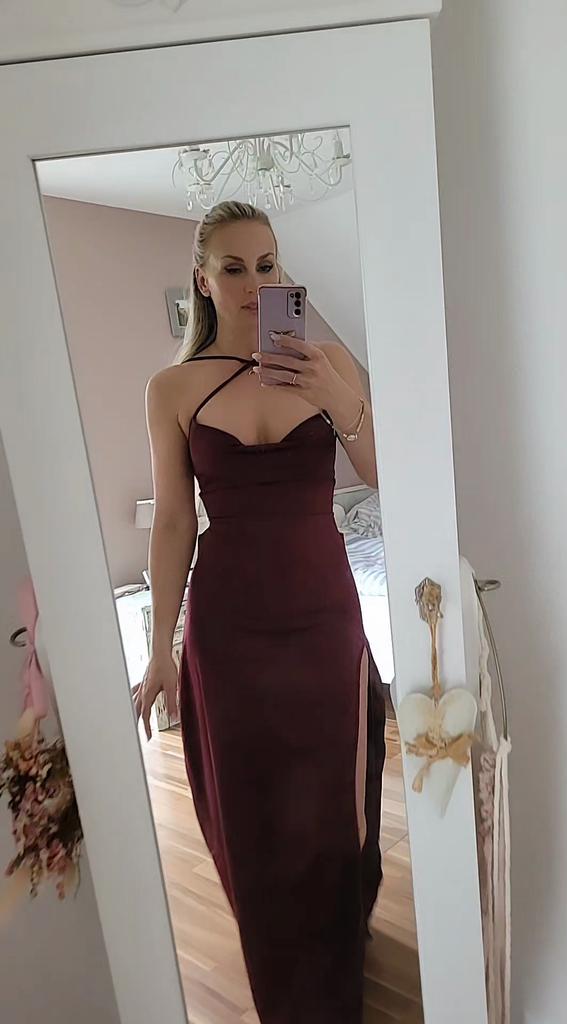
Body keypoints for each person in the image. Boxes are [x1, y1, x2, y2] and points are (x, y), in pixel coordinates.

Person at [133, 201, 386, 1023]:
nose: (254, 284)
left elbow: (384, 472)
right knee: (253, 814)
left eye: (268, 266)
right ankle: (287, 992)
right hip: (229, 626)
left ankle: (338, 960)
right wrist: (160, 646)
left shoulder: (326, 357)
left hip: (323, 614)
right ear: (203, 281)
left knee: (332, 805)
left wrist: (335, 393)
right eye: (234, 268)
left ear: (284, 272)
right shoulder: (171, 388)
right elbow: (174, 521)